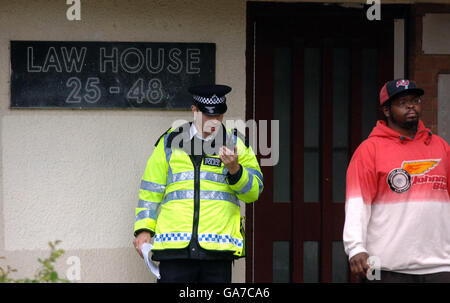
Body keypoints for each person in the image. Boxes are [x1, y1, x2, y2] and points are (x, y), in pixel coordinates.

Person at [132, 84, 263, 283]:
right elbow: (150, 190)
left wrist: (236, 170)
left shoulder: (237, 144)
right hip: (174, 249)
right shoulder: (169, 142)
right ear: (194, 111)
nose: (213, 122)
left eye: (218, 116)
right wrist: (144, 229)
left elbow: (253, 193)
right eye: (207, 116)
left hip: (218, 251)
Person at [343, 79, 450, 283]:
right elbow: (357, 203)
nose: (411, 106)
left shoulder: (441, 147)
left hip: (441, 264)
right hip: (385, 266)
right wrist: (355, 247)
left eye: (415, 100)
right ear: (386, 110)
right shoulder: (369, 150)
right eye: (402, 102)